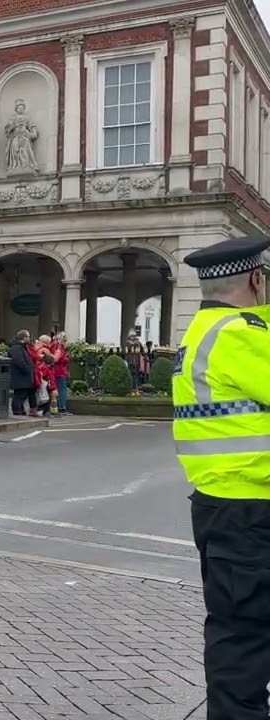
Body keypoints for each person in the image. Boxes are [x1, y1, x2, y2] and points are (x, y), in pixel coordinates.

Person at [171, 236, 270, 718]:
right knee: (244, 641)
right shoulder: (240, 334)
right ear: (256, 278)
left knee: (237, 631)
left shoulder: (202, 331)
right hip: (252, 507)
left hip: (221, 504)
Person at [8, 330, 36, 416]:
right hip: (20, 376)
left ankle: (20, 410)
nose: (29, 338)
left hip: (23, 377)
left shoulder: (21, 348)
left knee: (22, 395)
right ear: (23, 338)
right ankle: (17, 411)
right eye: (28, 336)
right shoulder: (16, 348)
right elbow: (18, 361)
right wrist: (28, 369)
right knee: (19, 395)